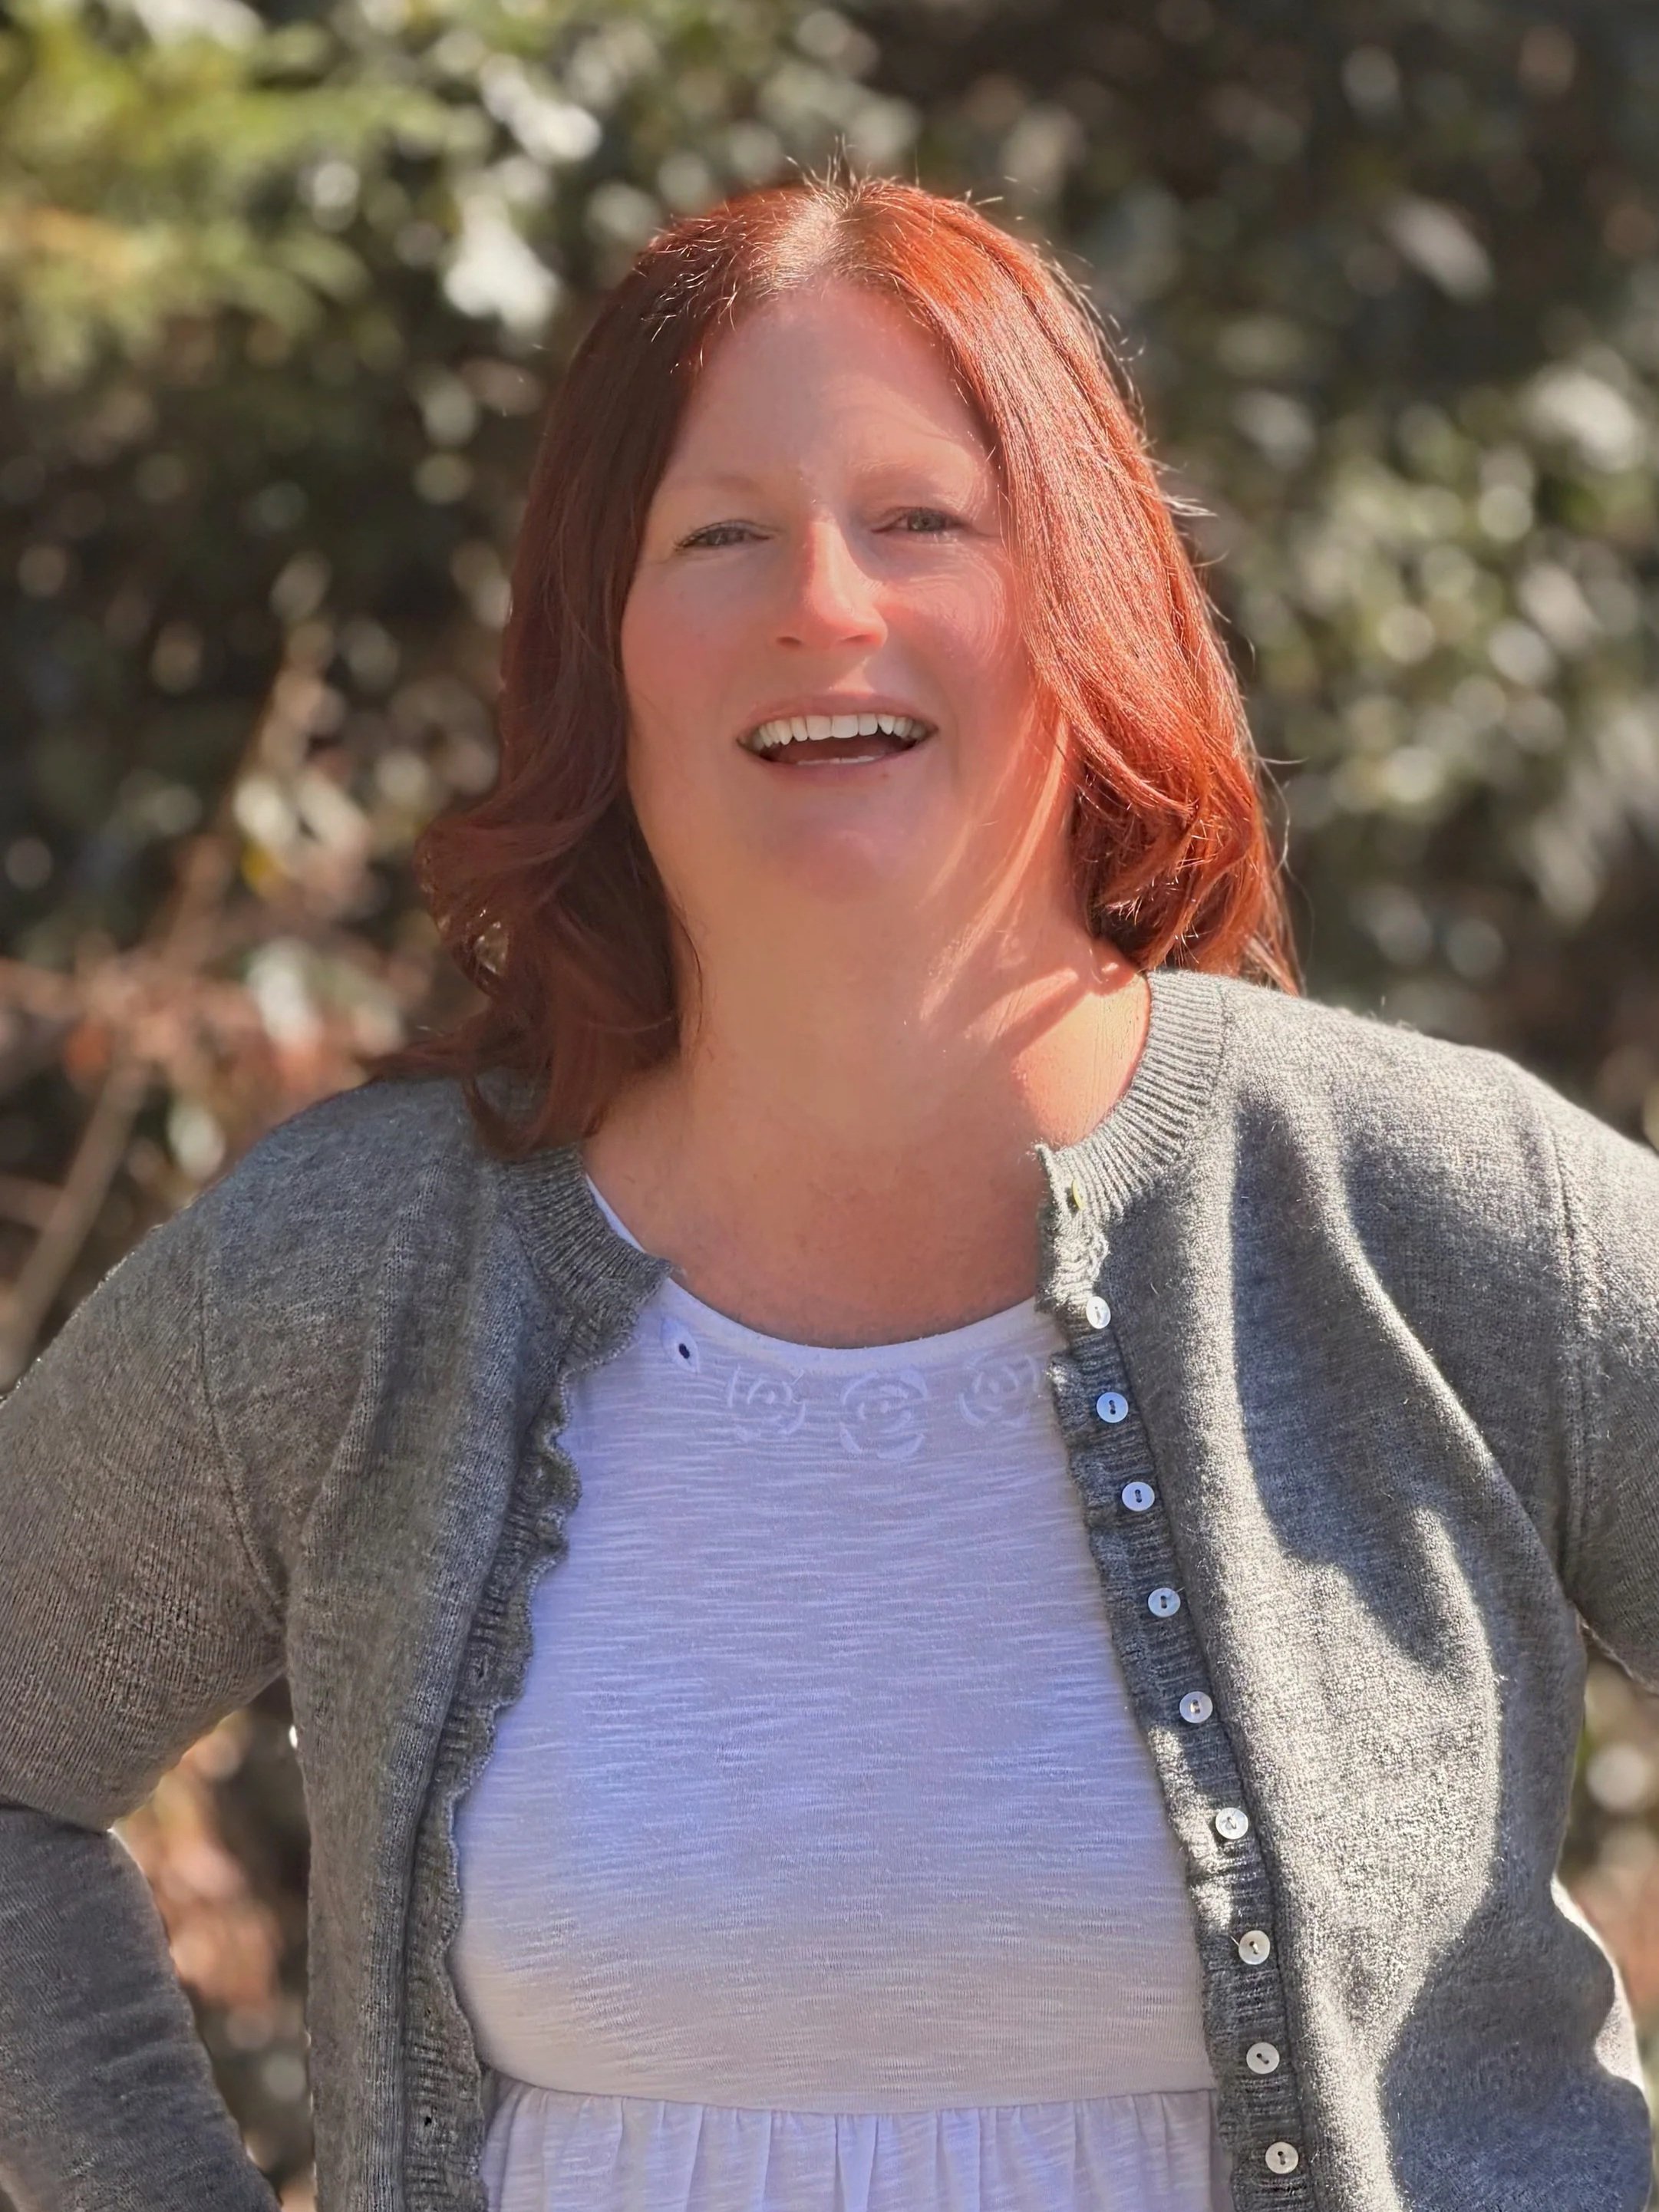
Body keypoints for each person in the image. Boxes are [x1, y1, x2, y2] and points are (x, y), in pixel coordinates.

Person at [0, 170, 1654, 2212]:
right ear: (601, 650)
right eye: (717, 534)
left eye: (918, 520)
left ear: (1083, 599)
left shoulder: (1426, 1212)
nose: (824, 603)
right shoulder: (362, 1272)